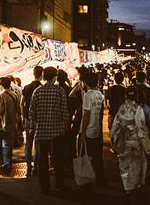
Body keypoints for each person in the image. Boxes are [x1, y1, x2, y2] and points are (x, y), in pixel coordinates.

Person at [30, 66, 70, 195]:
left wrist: (33, 126)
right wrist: (65, 125)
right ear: (54, 77)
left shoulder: (37, 91)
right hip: (57, 130)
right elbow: (64, 111)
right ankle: (59, 184)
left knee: (42, 161)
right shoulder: (59, 91)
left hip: (41, 131)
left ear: (43, 76)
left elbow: (31, 112)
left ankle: (44, 186)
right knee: (58, 159)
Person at [110, 85, 150, 198]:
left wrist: (112, 137)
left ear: (125, 95)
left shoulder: (121, 108)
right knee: (136, 164)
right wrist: (147, 145)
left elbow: (115, 125)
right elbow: (141, 127)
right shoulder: (138, 109)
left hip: (123, 140)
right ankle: (135, 185)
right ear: (136, 96)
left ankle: (127, 187)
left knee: (124, 164)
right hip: (135, 140)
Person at [79, 72, 106, 186]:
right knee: (97, 155)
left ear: (86, 82)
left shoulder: (88, 95)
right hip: (97, 128)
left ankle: (89, 179)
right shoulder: (99, 94)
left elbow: (86, 114)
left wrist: (82, 131)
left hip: (89, 129)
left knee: (88, 155)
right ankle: (100, 178)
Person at [21, 66, 43, 176]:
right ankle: (36, 166)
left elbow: (22, 103)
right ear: (41, 74)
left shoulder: (26, 87)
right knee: (38, 144)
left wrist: (23, 115)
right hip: (38, 120)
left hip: (27, 119)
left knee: (28, 143)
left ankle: (28, 165)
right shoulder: (41, 88)